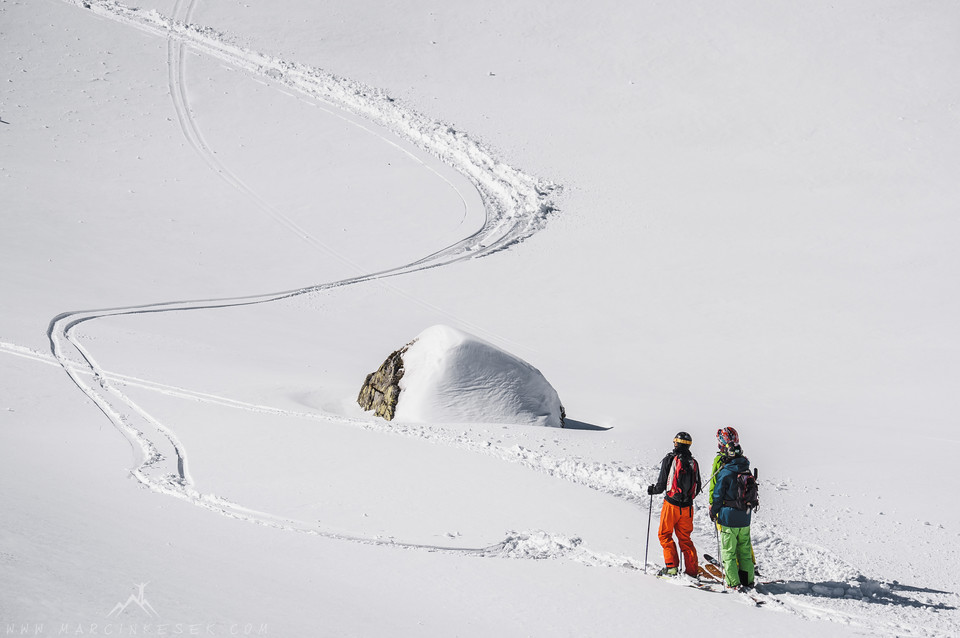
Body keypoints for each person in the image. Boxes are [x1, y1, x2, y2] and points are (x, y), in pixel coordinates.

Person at [647, 432, 702, 577]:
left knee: (665, 535)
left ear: (676, 443)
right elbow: (698, 487)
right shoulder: (693, 462)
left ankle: (671, 567)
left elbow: (660, 485)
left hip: (671, 505)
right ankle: (692, 571)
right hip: (687, 508)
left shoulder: (670, 459)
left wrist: (652, 490)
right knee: (685, 539)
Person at [709, 442, 755, 590]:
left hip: (728, 518)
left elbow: (717, 495)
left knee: (729, 552)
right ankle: (748, 580)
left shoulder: (726, 472)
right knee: (745, 551)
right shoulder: (747, 470)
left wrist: (713, 511)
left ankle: (733, 582)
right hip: (745, 518)